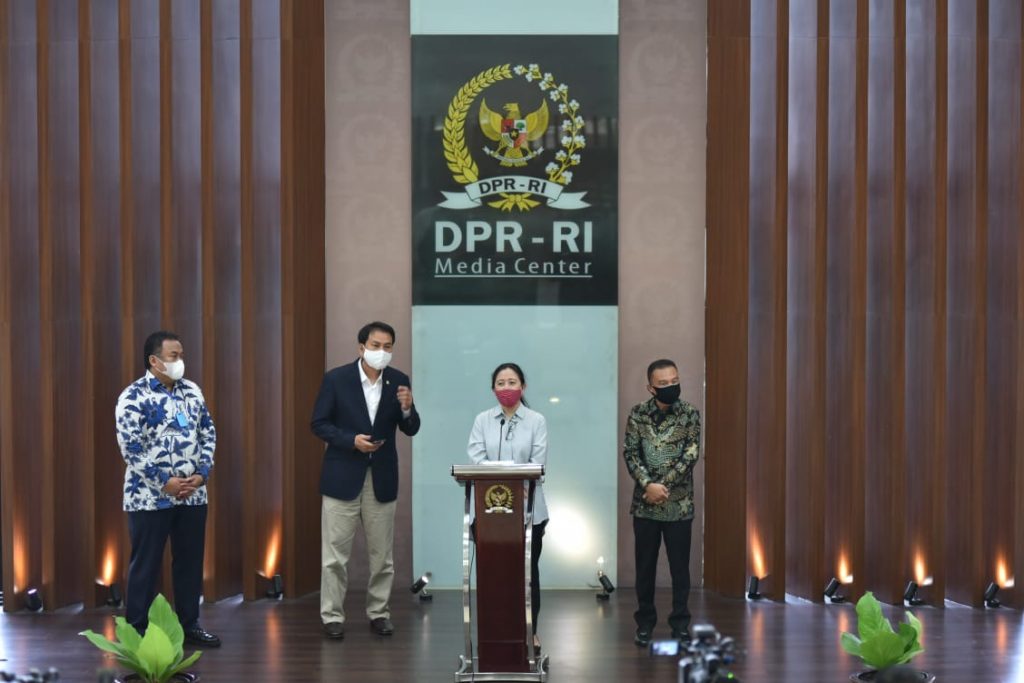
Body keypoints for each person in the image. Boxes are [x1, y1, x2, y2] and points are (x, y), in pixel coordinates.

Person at [311, 321, 421, 640]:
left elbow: (411, 428)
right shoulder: (336, 379)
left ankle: (379, 613)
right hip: (341, 476)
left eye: (387, 347)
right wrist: (351, 441)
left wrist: (407, 409)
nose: (381, 352)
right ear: (361, 347)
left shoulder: (398, 380)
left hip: (381, 477)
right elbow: (318, 423)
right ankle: (332, 616)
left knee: (382, 557)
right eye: (375, 345)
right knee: (334, 557)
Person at [115, 331, 220, 647]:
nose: (180, 361)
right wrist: (165, 482)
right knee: (146, 565)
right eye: (174, 356)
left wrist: (201, 474)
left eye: (181, 354)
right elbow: (131, 448)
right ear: (154, 360)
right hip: (148, 497)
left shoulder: (192, 392)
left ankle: (189, 626)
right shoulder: (133, 396)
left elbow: (208, 433)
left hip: (193, 495)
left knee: (189, 563)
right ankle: (137, 632)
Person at [467, 362, 548, 652]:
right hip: (488, 511)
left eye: (512, 382)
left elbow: (538, 462)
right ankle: (495, 631)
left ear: (522, 387)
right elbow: (476, 458)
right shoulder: (483, 420)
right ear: (493, 389)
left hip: (529, 510)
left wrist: (510, 475)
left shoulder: (536, 420)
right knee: (493, 573)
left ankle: (530, 630)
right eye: (501, 383)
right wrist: (504, 474)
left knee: (527, 574)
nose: (506, 388)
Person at [623, 358, 701, 647]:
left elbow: (690, 455)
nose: (671, 387)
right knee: (645, 568)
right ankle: (645, 623)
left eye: (675, 381)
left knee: (680, 570)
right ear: (651, 388)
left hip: (678, 506)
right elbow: (631, 453)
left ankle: (680, 625)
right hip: (645, 505)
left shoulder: (690, 414)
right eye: (664, 383)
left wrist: (662, 487)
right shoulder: (638, 414)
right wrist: (648, 485)